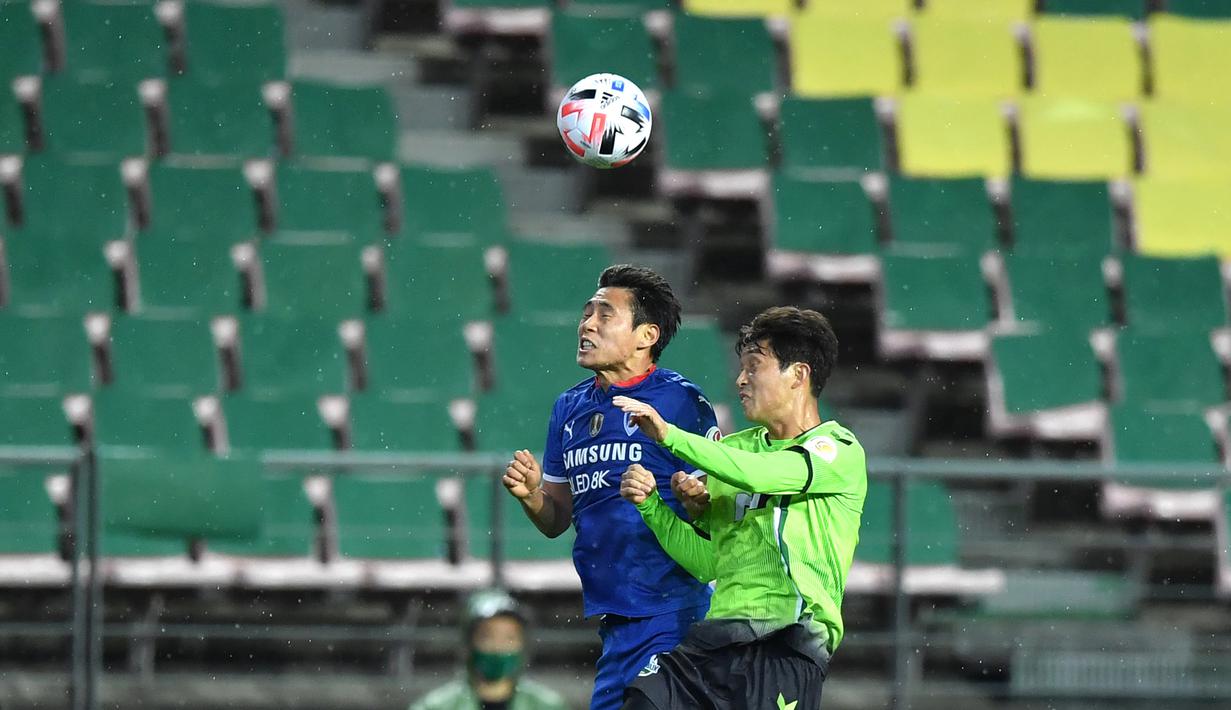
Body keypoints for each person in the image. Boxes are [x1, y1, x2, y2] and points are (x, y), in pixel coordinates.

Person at [614, 306, 866, 710]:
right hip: (712, 644)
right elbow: (706, 562)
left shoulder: (837, 450)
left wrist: (669, 435)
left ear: (798, 375)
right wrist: (653, 506)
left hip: (784, 646)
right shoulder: (733, 450)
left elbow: (762, 475)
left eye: (754, 366)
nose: (740, 380)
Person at [501, 264, 720, 710]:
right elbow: (556, 519)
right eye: (586, 313)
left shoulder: (682, 402)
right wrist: (532, 497)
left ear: (646, 336)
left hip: (674, 612)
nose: (586, 324)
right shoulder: (569, 407)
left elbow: (715, 515)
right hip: (615, 621)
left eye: (604, 314)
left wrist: (693, 501)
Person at [410, 588, 569, 710]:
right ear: (469, 643)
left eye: (510, 638)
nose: (498, 647)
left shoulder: (547, 706)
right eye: (487, 637)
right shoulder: (436, 706)